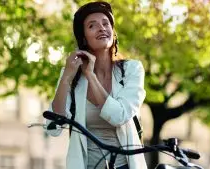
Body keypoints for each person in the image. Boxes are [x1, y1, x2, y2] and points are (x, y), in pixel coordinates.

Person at [45, 1, 147, 169]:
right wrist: (66, 78)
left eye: (106, 23)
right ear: (84, 38)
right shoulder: (71, 73)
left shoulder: (131, 69)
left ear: (113, 33)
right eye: (92, 25)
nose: (101, 28)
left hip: (125, 165)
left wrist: (90, 75)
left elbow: (119, 116)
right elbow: (53, 127)